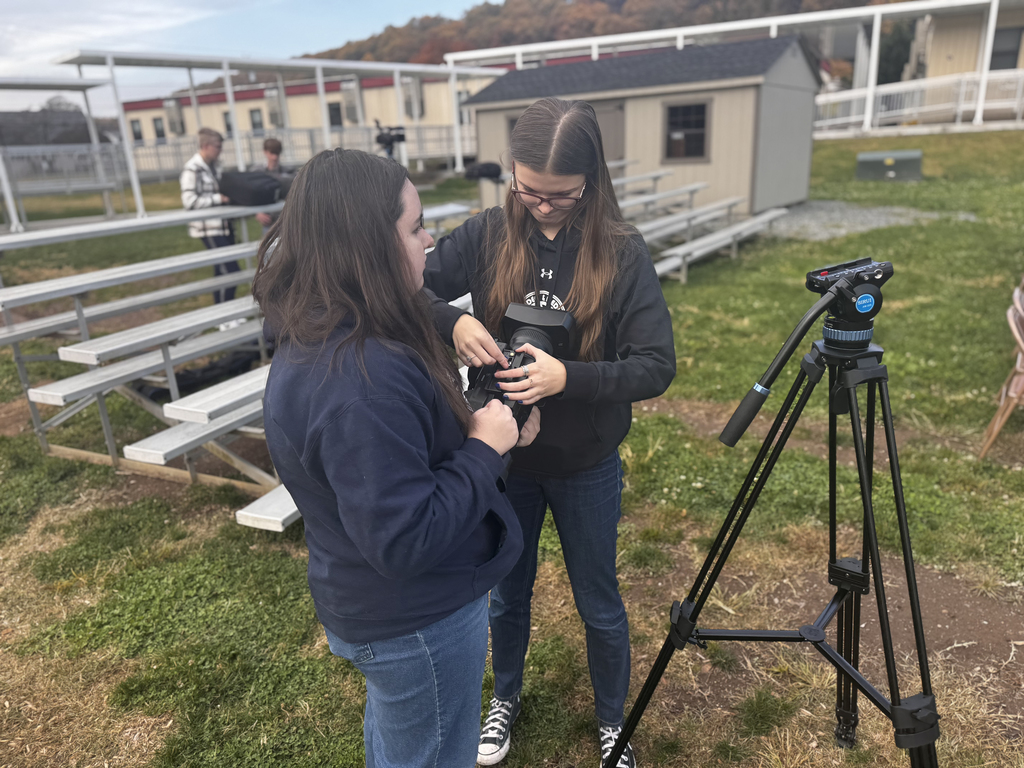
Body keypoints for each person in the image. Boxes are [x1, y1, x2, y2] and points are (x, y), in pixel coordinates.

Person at [253, 148, 540, 768]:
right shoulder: (362, 382)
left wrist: (475, 418)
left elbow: (390, 465)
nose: (429, 239)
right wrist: (487, 445)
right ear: (367, 246)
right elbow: (406, 539)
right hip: (417, 620)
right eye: (413, 228)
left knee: (402, 739)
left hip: (370, 607)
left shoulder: (328, 332)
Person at [422, 97, 676, 768]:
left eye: (558, 197)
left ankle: (613, 723)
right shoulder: (483, 234)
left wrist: (571, 379)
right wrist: (451, 320)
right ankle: (504, 699)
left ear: (590, 181)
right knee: (508, 593)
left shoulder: (619, 252)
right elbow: (400, 286)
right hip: (505, 459)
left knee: (599, 602)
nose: (540, 205)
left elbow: (656, 366)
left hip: (586, 461)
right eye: (526, 189)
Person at [179, 127, 240, 304]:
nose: (220, 151)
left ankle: (227, 313)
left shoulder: (215, 167)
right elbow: (189, 201)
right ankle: (223, 314)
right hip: (208, 228)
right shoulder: (192, 169)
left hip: (223, 226)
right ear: (206, 146)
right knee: (230, 271)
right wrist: (217, 198)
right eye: (217, 147)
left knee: (222, 271)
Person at [254, 136, 284, 234]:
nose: (274, 157)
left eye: (277, 153)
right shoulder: (258, 173)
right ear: (265, 152)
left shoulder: (288, 172)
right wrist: (257, 212)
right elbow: (251, 195)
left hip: (285, 219)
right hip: (268, 221)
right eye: (272, 153)